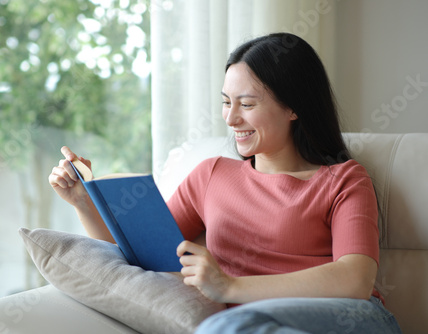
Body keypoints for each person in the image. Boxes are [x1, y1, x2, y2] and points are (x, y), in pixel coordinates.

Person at [49, 33, 402, 333]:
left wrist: (230, 286)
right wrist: (83, 200)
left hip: (353, 318)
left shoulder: (344, 179)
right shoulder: (212, 175)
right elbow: (142, 254)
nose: (231, 118)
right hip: (254, 325)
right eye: (226, 102)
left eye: (246, 104)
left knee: (228, 326)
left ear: (293, 107)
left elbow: (355, 280)